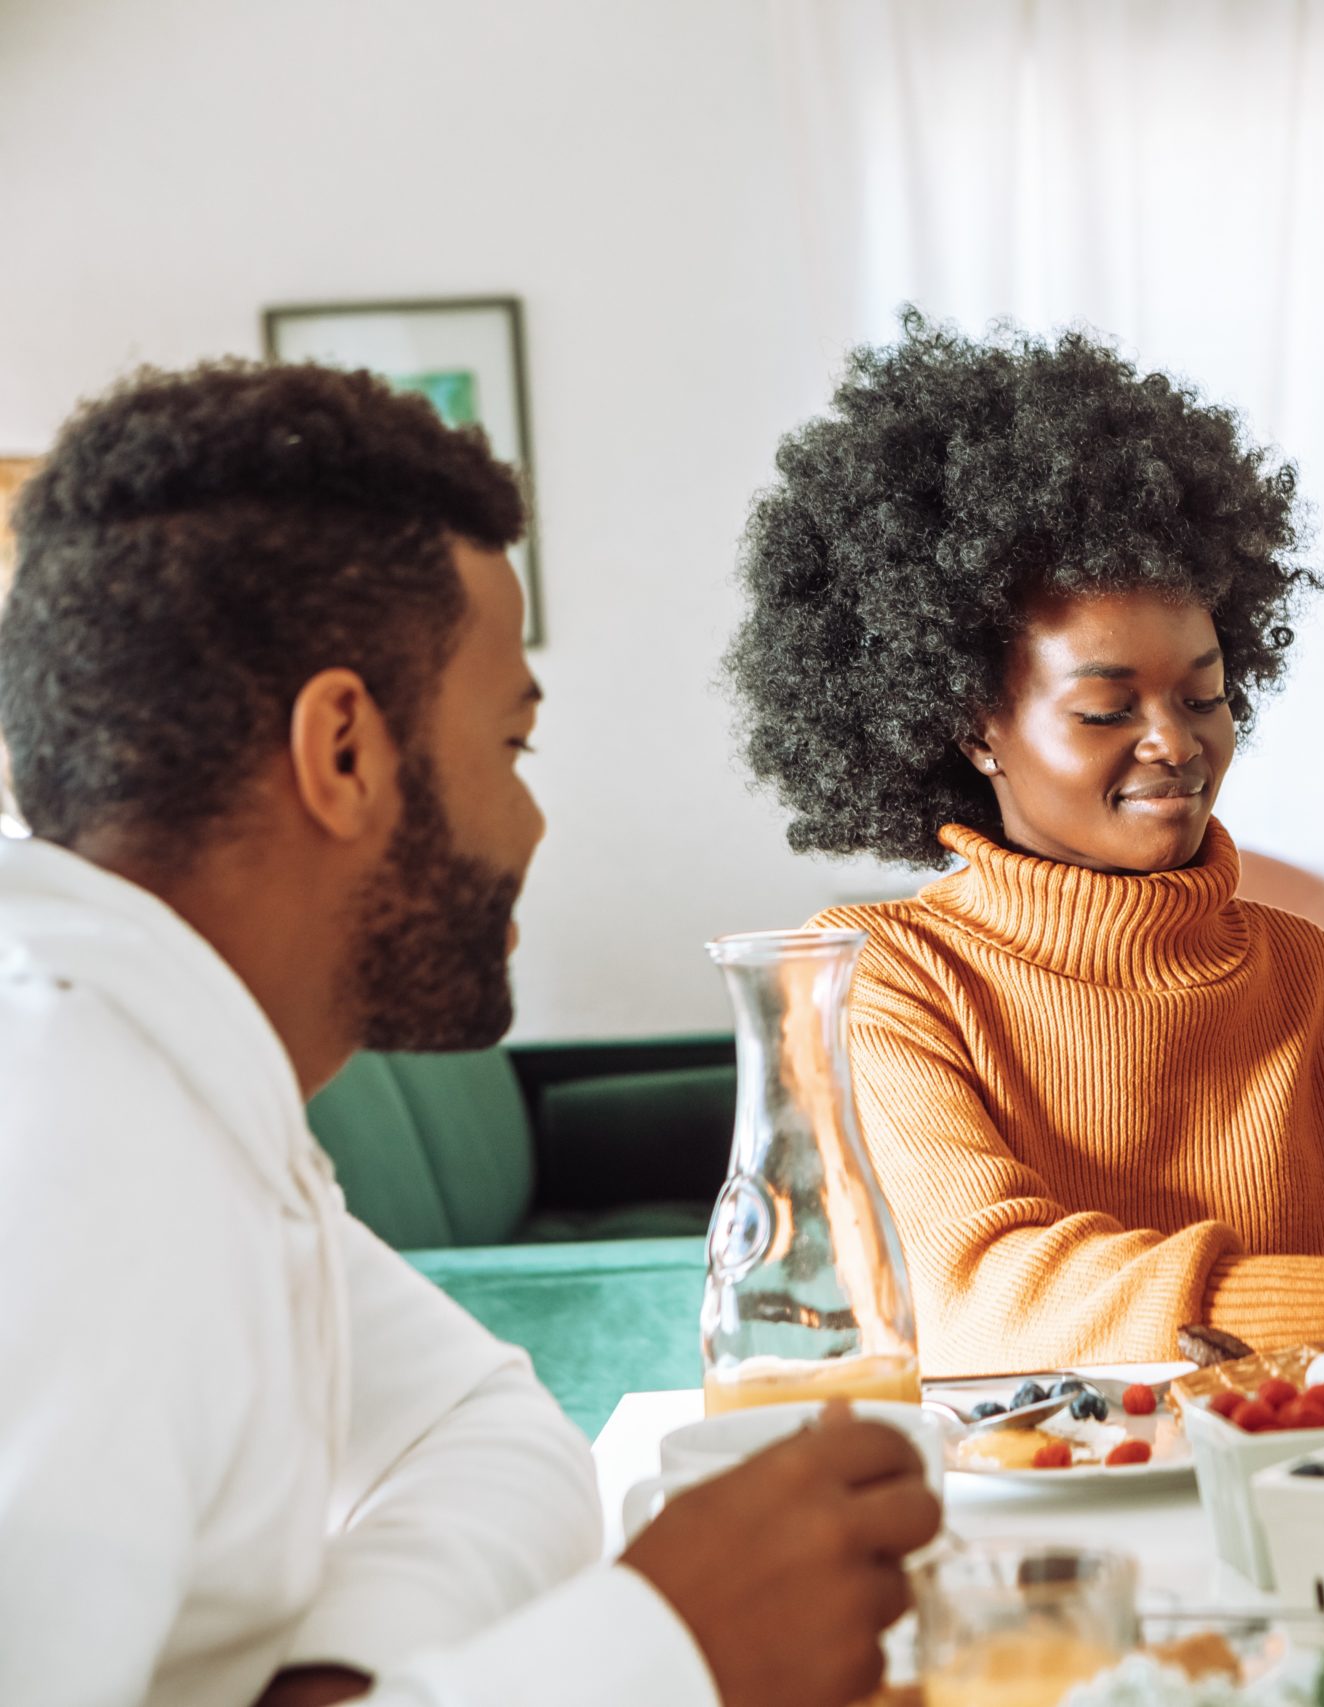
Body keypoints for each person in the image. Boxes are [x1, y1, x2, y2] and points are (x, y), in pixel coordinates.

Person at [0, 361, 939, 1707]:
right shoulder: (65, 1149)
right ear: (344, 751)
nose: (529, 824)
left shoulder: (188, 1088)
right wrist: (663, 1648)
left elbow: (489, 1425)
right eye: (513, 744)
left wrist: (334, 1682)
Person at [724, 312, 1324, 1375]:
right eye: (1104, 710)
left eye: (1205, 694)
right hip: (1035, 1509)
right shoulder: (886, 976)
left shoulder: (1302, 974)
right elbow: (990, 1294)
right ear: (972, 725)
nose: (1175, 743)